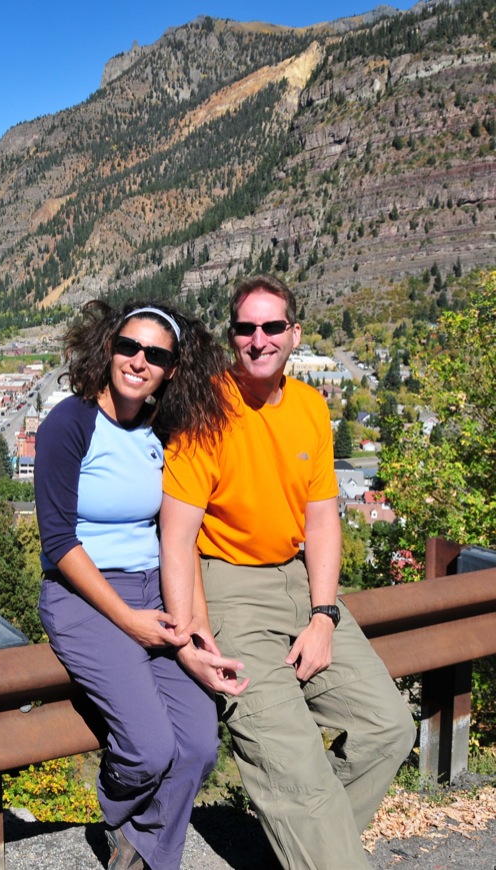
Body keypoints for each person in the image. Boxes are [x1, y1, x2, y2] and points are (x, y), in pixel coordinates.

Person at [160, 274, 416, 870]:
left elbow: (322, 520)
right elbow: (177, 536)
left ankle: (307, 846)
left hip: (300, 584)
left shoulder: (309, 406)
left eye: (272, 326)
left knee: (387, 728)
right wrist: (192, 633)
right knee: (298, 774)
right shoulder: (204, 411)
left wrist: (324, 616)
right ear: (232, 336)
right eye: (246, 328)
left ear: (294, 334)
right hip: (228, 588)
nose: (259, 339)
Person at [36, 300, 247, 870]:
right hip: (83, 597)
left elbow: (181, 535)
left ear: (172, 369)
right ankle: (132, 830)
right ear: (109, 348)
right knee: (150, 751)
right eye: (129, 346)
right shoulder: (70, 424)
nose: (138, 361)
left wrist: (196, 626)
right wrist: (128, 621)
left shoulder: (164, 430)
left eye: (155, 354)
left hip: (156, 591)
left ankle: (138, 846)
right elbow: (58, 540)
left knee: (199, 746)